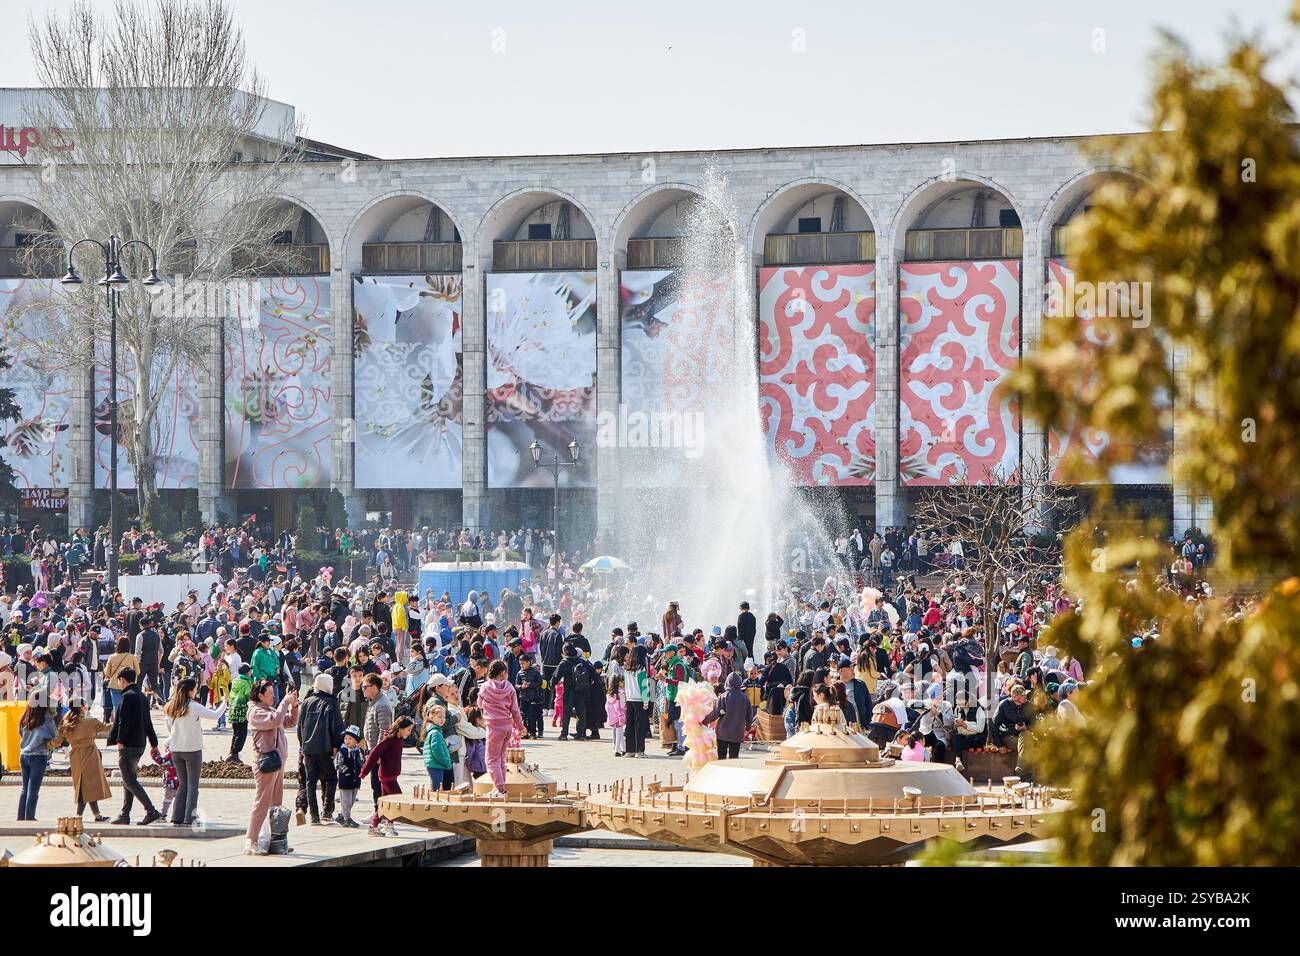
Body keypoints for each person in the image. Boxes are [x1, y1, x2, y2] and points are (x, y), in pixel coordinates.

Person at [245, 678, 298, 856]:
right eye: (270, 694)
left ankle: (276, 841)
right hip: (265, 763)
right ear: (260, 695)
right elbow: (276, 721)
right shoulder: (255, 712)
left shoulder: (270, 709)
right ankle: (251, 841)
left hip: (277, 763)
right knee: (262, 803)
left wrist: (294, 706)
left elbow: (289, 722)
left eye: (274, 694)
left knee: (276, 804)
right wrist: (285, 701)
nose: (273, 697)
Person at [163, 677, 226, 825]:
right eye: (195, 688)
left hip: (176, 750)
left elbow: (170, 730)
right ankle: (189, 817)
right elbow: (215, 715)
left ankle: (176, 816)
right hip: (192, 749)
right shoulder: (193, 706)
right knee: (192, 785)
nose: (196, 690)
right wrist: (224, 702)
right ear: (190, 691)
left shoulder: (170, 707)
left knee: (183, 784)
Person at [106, 667, 163, 826]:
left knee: (129, 780)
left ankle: (150, 810)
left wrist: (120, 740)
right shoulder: (141, 696)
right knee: (128, 779)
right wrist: (154, 743)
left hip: (128, 744)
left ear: (122, 680)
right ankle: (125, 814)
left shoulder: (127, 697)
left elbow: (123, 722)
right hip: (140, 743)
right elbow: (148, 722)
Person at [51, 703, 112, 821]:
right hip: (90, 754)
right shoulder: (90, 722)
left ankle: (97, 815)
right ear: (81, 707)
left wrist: (44, 744)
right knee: (87, 785)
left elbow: (56, 742)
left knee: (84, 784)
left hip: (75, 756)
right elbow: (106, 727)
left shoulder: (66, 724)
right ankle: (79, 815)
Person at [298, 671, 344, 825]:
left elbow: (300, 727)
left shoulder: (306, 702)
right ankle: (327, 812)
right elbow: (337, 727)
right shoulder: (331, 703)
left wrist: (302, 745)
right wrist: (336, 745)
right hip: (326, 747)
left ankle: (314, 816)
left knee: (310, 782)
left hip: (308, 748)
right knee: (331, 778)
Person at [359, 715, 415, 835]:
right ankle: (386, 825)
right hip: (387, 777)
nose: (410, 733)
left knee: (386, 803)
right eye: (408, 730)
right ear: (400, 728)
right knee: (397, 800)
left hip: (391, 776)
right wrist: (365, 771)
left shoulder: (399, 740)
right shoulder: (390, 740)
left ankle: (377, 826)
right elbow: (375, 753)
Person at [477, 659, 525, 797]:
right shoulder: (510, 687)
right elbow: (515, 710)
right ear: (503, 672)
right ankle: (500, 787)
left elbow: (479, 703)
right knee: (501, 759)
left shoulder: (485, 687)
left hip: (493, 727)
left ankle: (499, 789)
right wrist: (521, 727)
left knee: (491, 759)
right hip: (507, 727)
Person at [17, 698, 57, 820]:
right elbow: (54, 735)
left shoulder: (24, 717)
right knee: (33, 789)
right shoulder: (46, 719)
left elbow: (20, 733)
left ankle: (20, 817)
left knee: (24, 788)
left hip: (23, 755)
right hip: (38, 756)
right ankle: (30, 817)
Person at [361, 673, 393, 816]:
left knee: (378, 784)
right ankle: (378, 812)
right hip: (373, 750)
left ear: (374, 687)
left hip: (379, 753)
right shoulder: (374, 701)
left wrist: (378, 753)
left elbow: (384, 731)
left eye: (365, 687)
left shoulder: (382, 704)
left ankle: (380, 813)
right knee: (375, 784)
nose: (363, 689)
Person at [704, 672, 756, 760]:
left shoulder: (723, 697)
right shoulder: (745, 698)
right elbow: (749, 716)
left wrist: (703, 721)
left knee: (721, 758)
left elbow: (714, 714)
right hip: (737, 733)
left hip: (722, 732)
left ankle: (722, 773)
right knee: (734, 758)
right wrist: (748, 727)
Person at [552, 643, 593, 741]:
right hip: (582, 691)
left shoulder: (564, 662)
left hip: (569, 692)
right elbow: (593, 672)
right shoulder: (582, 661)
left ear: (565, 651)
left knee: (566, 713)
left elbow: (556, 676)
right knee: (581, 714)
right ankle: (580, 734)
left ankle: (564, 734)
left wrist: (551, 685)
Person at [622, 644, 650, 758]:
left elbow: (625, 685)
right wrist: (646, 701)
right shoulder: (641, 669)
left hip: (629, 699)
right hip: (639, 699)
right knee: (640, 725)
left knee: (630, 725)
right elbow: (644, 686)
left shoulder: (627, 668)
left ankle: (630, 750)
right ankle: (640, 750)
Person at [334, 725, 365, 827]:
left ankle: (342, 815)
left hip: (356, 780)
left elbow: (362, 762)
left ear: (356, 741)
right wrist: (345, 771)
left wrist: (363, 768)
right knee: (346, 801)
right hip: (345, 780)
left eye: (350, 739)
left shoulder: (359, 751)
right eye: (346, 738)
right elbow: (337, 764)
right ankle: (347, 819)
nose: (347, 741)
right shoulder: (342, 751)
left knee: (351, 800)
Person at [421, 705, 452, 791]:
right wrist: (446, 762)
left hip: (433, 764)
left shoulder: (435, 731)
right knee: (436, 788)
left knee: (434, 786)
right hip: (436, 764)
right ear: (431, 717)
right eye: (439, 717)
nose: (442, 719)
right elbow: (437, 751)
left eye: (444, 717)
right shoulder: (435, 733)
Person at [227, 663, 253, 763]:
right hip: (242, 710)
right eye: (250, 671)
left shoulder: (235, 680)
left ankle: (232, 752)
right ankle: (234, 754)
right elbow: (249, 695)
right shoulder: (246, 682)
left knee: (236, 732)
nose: (251, 672)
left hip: (233, 709)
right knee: (242, 733)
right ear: (247, 672)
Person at [515, 653, 544, 738]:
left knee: (532, 716)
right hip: (523, 698)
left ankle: (533, 733)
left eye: (523, 663)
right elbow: (516, 685)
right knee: (523, 716)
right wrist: (521, 687)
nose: (521, 665)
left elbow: (540, 683)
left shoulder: (535, 672)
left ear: (528, 662)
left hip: (533, 698)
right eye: (520, 664)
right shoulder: (519, 673)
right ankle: (525, 733)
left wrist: (530, 685)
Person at [605, 674, 626, 757]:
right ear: (619, 682)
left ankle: (623, 748)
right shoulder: (621, 693)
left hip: (612, 716)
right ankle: (616, 750)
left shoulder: (609, 693)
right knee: (619, 733)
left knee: (619, 733)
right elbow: (623, 705)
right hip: (620, 715)